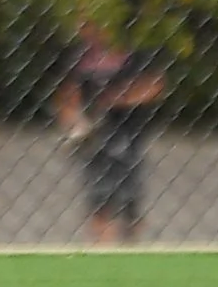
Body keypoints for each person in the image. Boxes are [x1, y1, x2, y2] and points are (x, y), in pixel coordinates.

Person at [58, 16, 165, 242]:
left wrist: (119, 98)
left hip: (128, 131)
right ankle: (103, 246)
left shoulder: (132, 54)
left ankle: (132, 244)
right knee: (100, 198)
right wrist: (75, 124)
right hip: (96, 136)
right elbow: (68, 94)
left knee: (130, 199)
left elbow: (154, 84)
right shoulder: (80, 58)